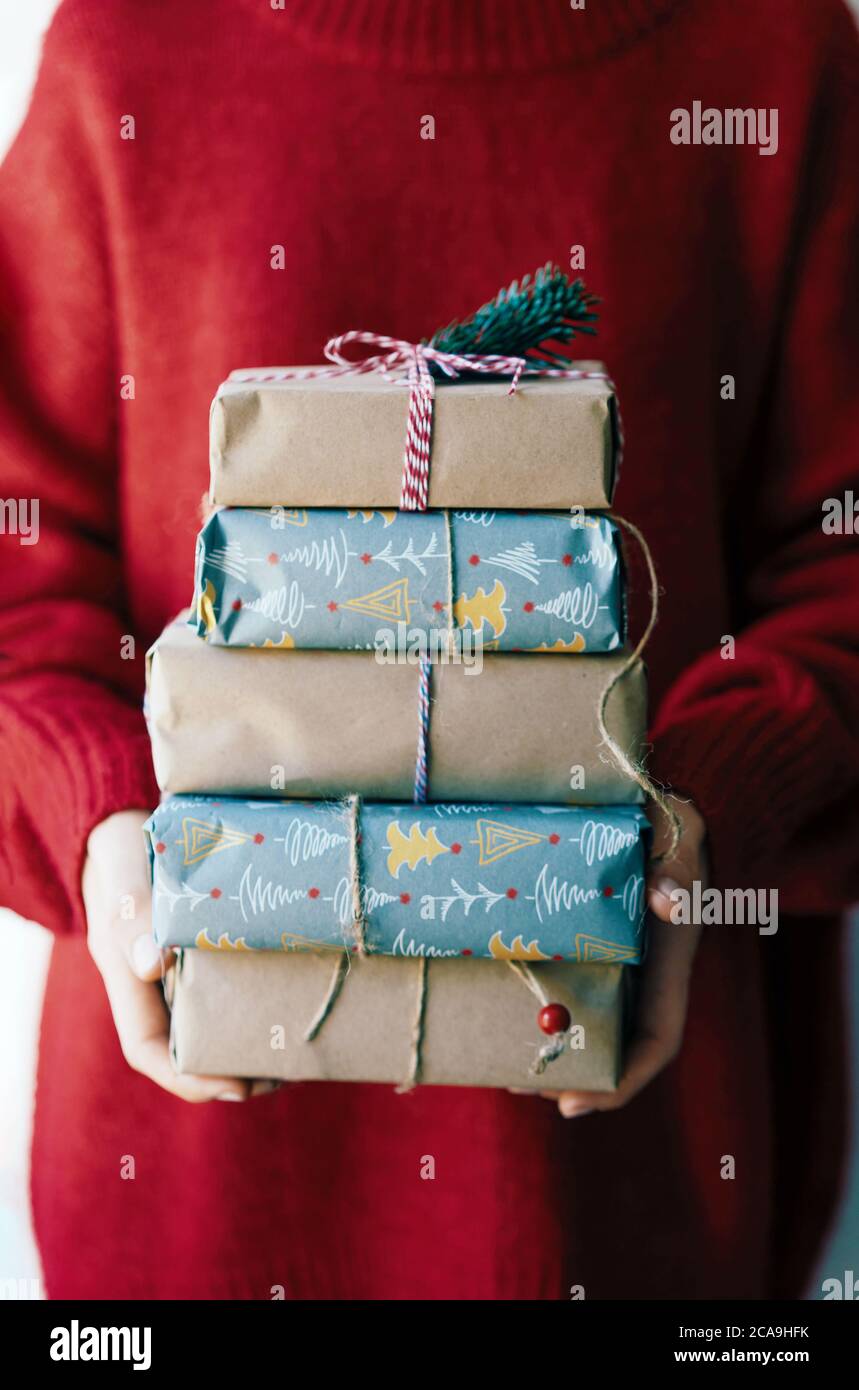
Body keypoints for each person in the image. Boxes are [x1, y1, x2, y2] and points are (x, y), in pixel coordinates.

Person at [1, 0, 856, 1301]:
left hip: (639, 1203)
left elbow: (841, 556)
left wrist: (709, 809)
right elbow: (18, 570)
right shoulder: (124, 47)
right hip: (185, 1213)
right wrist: (105, 826)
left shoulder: (777, 49)